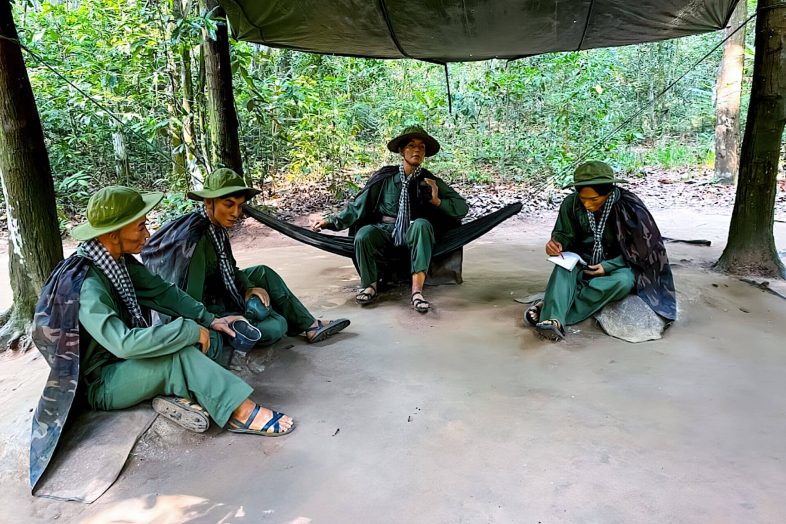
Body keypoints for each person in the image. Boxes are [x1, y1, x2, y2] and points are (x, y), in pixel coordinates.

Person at [31, 187, 294, 487]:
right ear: (114, 234)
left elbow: (163, 293)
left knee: (200, 342)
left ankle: (176, 394)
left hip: (126, 363)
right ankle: (238, 410)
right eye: (141, 227)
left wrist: (209, 319)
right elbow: (124, 343)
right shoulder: (89, 285)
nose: (148, 233)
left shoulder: (118, 263)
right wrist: (185, 330)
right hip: (103, 382)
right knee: (179, 354)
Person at [142, 168, 349, 347]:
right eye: (228, 204)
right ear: (208, 202)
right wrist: (221, 318)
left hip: (219, 288)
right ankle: (257, 323)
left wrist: (249, 287)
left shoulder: (216, 228)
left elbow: (230, 269)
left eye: (240, 206)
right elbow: (191, 302)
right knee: (276, 326)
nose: (236, 212)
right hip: (204, 307)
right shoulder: (197, 240)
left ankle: (310, 326)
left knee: (262, 273)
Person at [312, 125, 468, 312]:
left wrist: (436, 201)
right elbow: (358, 206)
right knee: (364, 234)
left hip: (416, 233)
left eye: (421, 147)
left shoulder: (429, 181)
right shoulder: (385, 178)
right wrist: (331, 220)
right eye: (411, 145)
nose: (417, 150)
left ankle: (417, 291)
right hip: (385, 230)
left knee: (421, 225)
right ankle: (370, 285)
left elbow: (461, 207)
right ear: (402, 151)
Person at [526, 161, 677, 340]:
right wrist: (556, 243)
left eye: (594, 200)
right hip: (581, 260)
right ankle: (552, 322)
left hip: (617, 266)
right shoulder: (571, 204)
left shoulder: (630, 207)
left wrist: (609, 266)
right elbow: (563, 234)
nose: (588, 205)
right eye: (583, 199)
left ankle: (551, 310)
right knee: (562, 268)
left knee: (623, 281)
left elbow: (643, 249)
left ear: (609, 192)